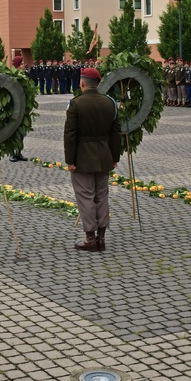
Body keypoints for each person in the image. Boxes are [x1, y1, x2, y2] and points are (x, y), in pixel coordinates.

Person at [64, 67, 121, 252]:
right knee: (101, 196)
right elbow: (116, 133)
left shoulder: (76, 104)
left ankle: (90, 238)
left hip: (82, 158)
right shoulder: (110, 103)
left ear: (82, 83)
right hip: (104, 156)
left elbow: (70, 135)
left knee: (86, 196)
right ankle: (101, 237)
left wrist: (69, 160)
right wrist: (115, 157)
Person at [8, 56, 29, 161]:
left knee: (21, 131)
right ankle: (12, 153)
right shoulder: (12, 76)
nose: (23, 66)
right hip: (14, 108)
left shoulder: (23, 76)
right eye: (21, 64)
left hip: (22, 107)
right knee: (13, 131)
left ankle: (19, 152)